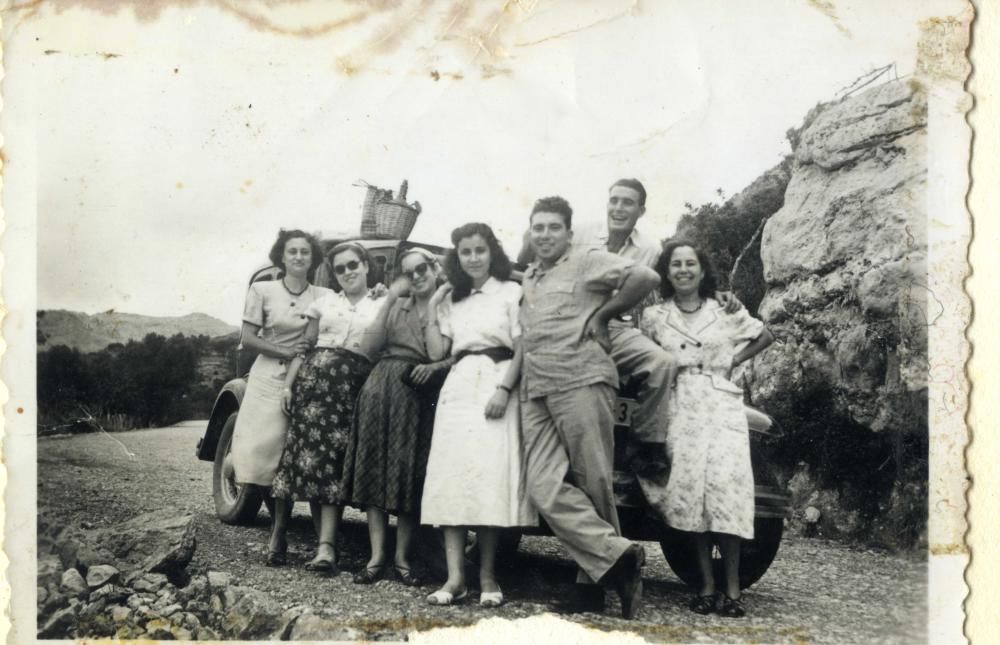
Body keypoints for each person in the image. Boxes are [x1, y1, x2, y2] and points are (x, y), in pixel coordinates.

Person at [518, 196, 660, 619]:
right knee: (542, 487)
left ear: (568, 232)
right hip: (538, 388)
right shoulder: (529, 277)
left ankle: (592, 589)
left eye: (553, 228)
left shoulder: (587, 260)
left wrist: (603, 316)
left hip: (582, 379)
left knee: (593, 481)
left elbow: (646, 276)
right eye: (537, 227)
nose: (544, 235)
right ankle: (621, 557)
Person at [640, 240, 774, 618]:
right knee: (691, 496)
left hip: (721, 404)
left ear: (702, 270)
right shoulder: (654, 317)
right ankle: (705, 585)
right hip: (680, 405)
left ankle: (732, 591)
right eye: (675, 265)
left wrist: (734, 359)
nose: (683, 270)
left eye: (690, 263)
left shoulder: (724, 308)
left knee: (726, 493)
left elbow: (764, 334)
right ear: (666, 273)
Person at [420, 223, 537, 608]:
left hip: (497, 382)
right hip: (458, 386)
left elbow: (523, 348)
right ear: (458, 256)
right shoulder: (453, 298)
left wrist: (505, 389)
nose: (473, 258)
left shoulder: (511, 291)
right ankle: (455, 578)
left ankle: (487, 575)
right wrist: (434, 302)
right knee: (452, 479)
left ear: (492, 253)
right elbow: (439, 352)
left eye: (480, 250)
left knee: (489, 480)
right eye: (466, 252)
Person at [270, 242, 385, 574]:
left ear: (366, 266)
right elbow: (305, 347)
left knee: (330, 467)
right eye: (340, 268)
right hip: (313, 389)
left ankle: (326, 548)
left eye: (353, 265)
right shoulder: (325, 303)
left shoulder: (384, 301)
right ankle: (286, 535)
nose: (347, 272)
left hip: (353, 392)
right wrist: (289, 385)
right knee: (297, 462)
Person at [341, 248, 453, 587]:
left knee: (408, 476)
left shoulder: (448, 307)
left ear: (434, 269)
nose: (417, 276)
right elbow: (367, 349)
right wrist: (389, 300)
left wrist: (434, 368)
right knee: (374, 469)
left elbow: (448, 354)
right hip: (381, 388)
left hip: (419, 396)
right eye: (409, 272)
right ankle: (376, 557)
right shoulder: (396, 305)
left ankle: (402, 558)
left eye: (422, 269)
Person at [231, 229, 330, 567]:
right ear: (282, 257)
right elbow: (247, 338)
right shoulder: (262, 290)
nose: (299, 257)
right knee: (265, 457)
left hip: (308, 379)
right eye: (293, 252)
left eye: (305, 252)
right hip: (267, 378)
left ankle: (281, 530)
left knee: (293, 455)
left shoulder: (325, 294)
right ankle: (278, 528)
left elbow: (354, 312)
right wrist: (286, 349)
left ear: (313, 258)